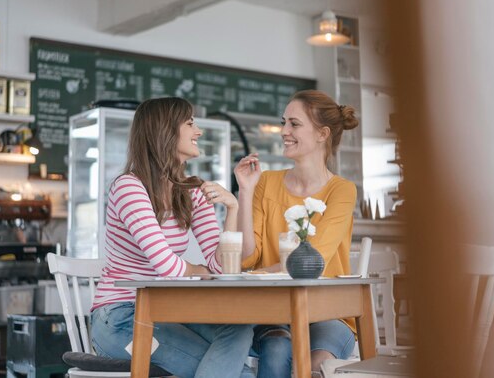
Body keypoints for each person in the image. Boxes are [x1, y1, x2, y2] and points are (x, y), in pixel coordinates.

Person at [90, 97, 254, 378]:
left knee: (240, 328)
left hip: (166, 309)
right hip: (120, 319)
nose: (198, 132)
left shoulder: (191, 191)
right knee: (242, 375)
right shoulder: (129, 187)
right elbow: (165, 266)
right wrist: (196, 270)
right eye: (190, 123)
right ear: (165, 131)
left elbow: (219, 267)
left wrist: (233, 207)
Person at [234, 90, 360, 377]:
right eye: (283, 123)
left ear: (322, 134)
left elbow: (310, 263)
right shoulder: (265, 182)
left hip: (329, 313)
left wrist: (251, 278)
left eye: (294, 124)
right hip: (274, 311)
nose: (283, 131)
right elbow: (245, 258)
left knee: (312, 366)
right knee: (277, 351)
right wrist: (245, 191)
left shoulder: (341, 190)